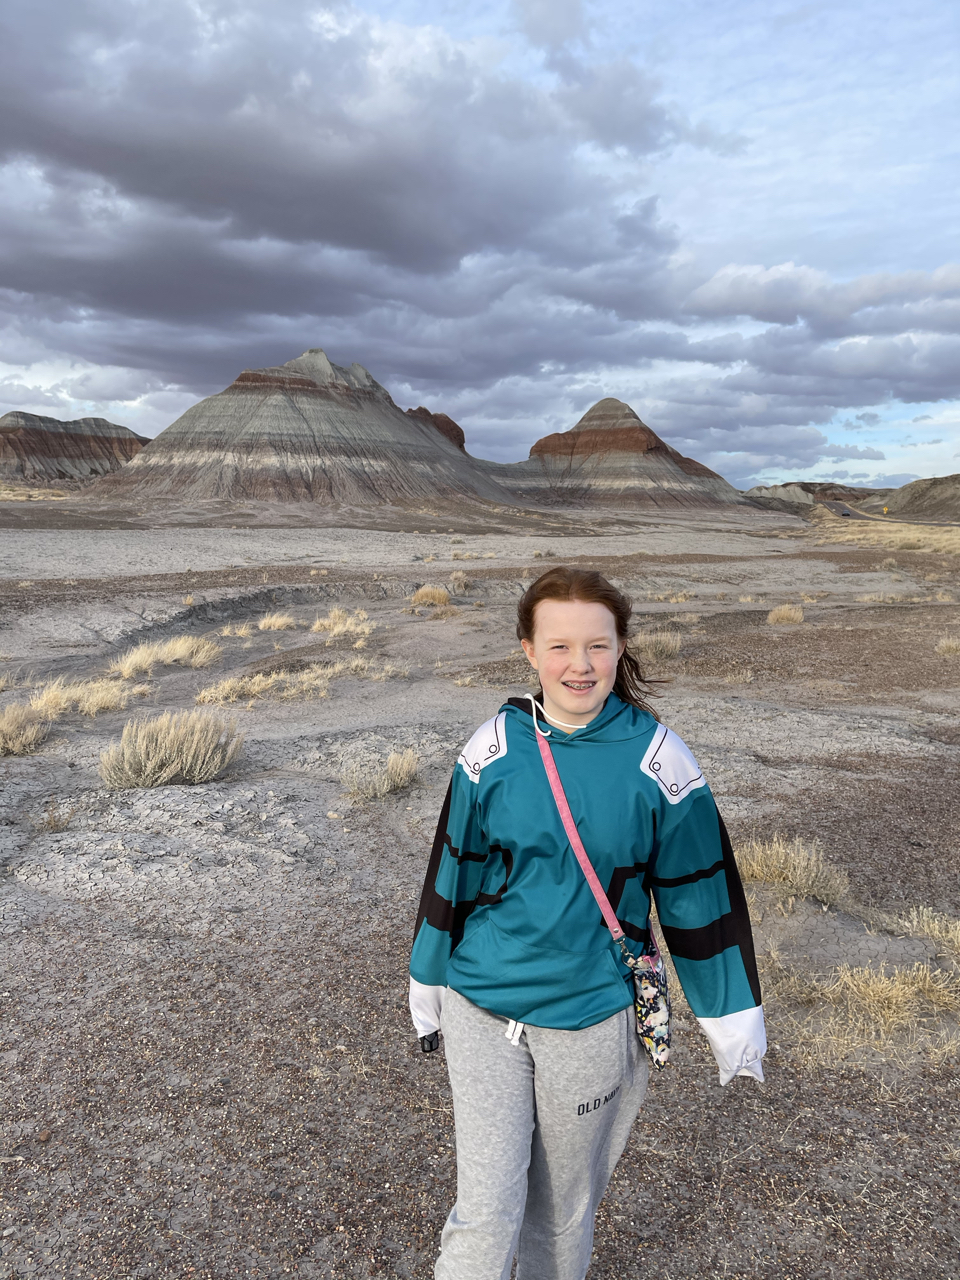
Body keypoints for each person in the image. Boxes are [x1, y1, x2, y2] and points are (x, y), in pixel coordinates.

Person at [409, 567, 765, 1280]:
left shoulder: (661, 762)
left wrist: (730, 1013)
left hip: (591, 1018)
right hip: (483, 1008)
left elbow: (698, 890)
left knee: (559, 1214)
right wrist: (427, 980)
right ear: (528, 651)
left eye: (597, 647)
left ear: (621, 647)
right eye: (560, 646)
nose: (579, 665)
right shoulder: (491, 750)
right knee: (485, 1210)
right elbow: (454, 870)